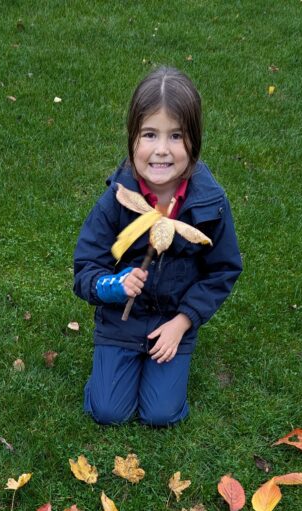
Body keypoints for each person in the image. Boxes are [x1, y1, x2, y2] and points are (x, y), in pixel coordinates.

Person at [73, 66, 243, 426]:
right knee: (108, 412)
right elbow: (85, 269)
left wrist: (183, 322)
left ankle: (170, 360)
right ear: (132, 138)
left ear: (194, 142)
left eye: (176, 136)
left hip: (172, 319)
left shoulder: (209, 205)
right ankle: (113, 369)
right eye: (150, 134)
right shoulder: (117, 200)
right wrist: (113, 286)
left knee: (161, 414)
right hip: (121, 321)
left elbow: (224, 269)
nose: (162, 150)